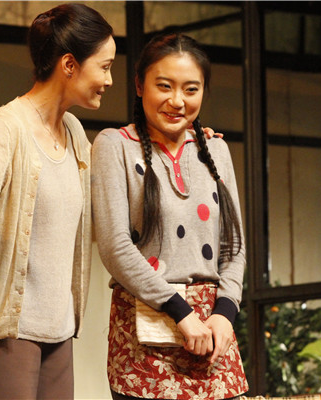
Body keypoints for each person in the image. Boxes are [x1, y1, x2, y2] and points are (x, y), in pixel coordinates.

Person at [0, 4, 115, 399]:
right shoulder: (7, 125)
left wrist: (188, 142)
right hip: (3, 330)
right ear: (69, 64)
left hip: (59, 331)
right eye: (104, 67)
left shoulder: (74, 131)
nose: (109, 79)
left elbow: (103, 204)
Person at [92, 33, 249, 399]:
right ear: (139, 85)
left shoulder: (216, 149)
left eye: (191, 89)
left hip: (212, 329)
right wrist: (181, 313)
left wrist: (225, 313)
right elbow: (115, 247)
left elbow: (234, 246)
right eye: (164, 86)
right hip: (147, 328)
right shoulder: (114, 146)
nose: (177, 101)